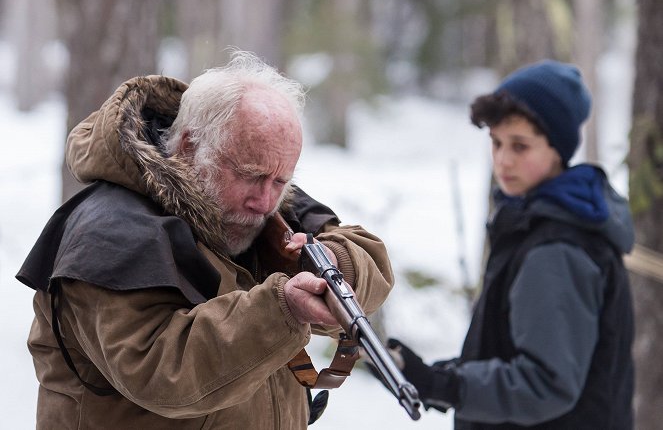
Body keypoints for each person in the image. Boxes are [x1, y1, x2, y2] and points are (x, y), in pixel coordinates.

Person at [16, 50, 394, 429]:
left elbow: (368, 258)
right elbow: (163, 373)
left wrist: (331, 263)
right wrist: (284, 309)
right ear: (189, 147)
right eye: (250, 175)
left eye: (281, 181)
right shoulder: (107, 232)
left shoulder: (259, 188)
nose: (265, 201)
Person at [370, 60, 635, 429]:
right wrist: (435, 378)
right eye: (496, 142)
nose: (503, 160)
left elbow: (546, 383)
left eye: (520, 146)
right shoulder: (538, 223)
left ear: (557, 149)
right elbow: (513, 350)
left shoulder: (557, 247)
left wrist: (449, 386)